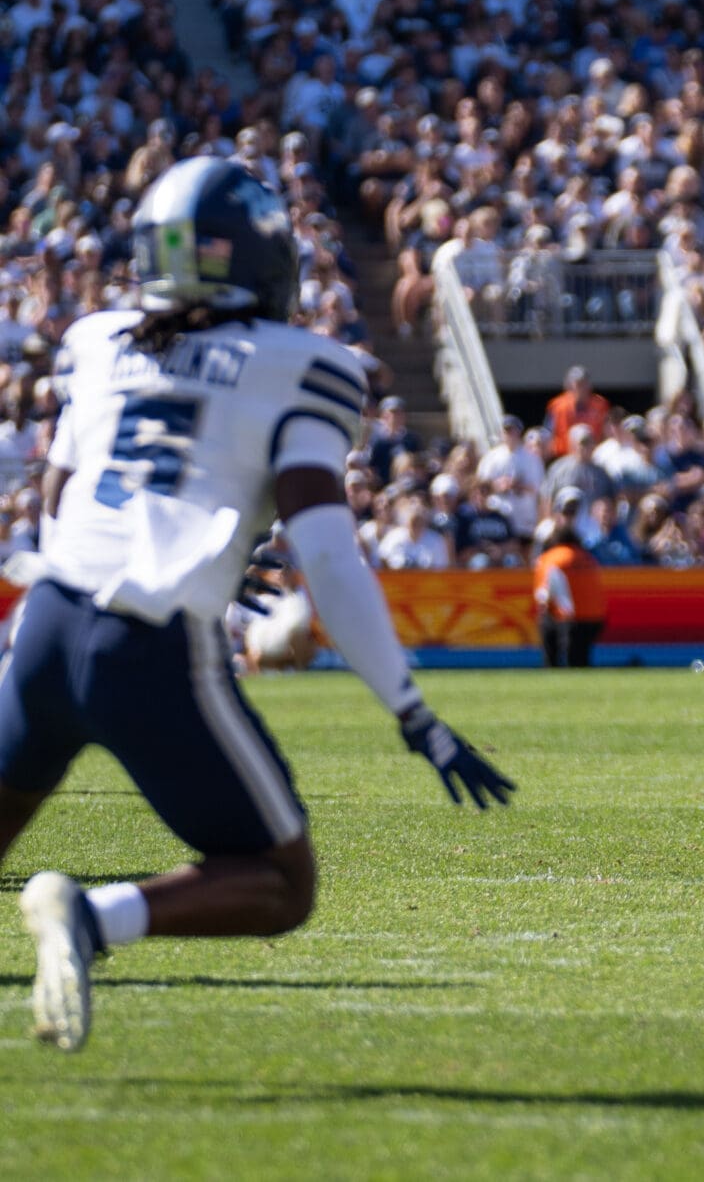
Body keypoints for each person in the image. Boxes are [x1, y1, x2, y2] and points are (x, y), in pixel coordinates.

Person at [2, 158, 514, 1053]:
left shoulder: (100, 338)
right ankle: (89, 916)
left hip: (46, 626)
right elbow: (325, 550)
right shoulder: (303, 364)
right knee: (282, 881)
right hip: (150, 649)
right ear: (266, 264)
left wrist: (204, 543)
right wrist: (412, 711)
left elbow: (62, 495)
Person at [533, 503, 607, 667]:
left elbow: (544, 595)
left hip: (569, 620)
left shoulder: (551, 558)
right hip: (596, 618)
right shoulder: (590, 559)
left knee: (549, 632)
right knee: (581, 660)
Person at [544, 366, 610, 459]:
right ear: (569, 385)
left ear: (589, 385)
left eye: (583, 383)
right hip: (563, 456)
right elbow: (547, 434)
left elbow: (607, 433)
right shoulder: (557, 406)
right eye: (577, 384)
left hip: (593, 457)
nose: (580, 387)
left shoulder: (600, 405)